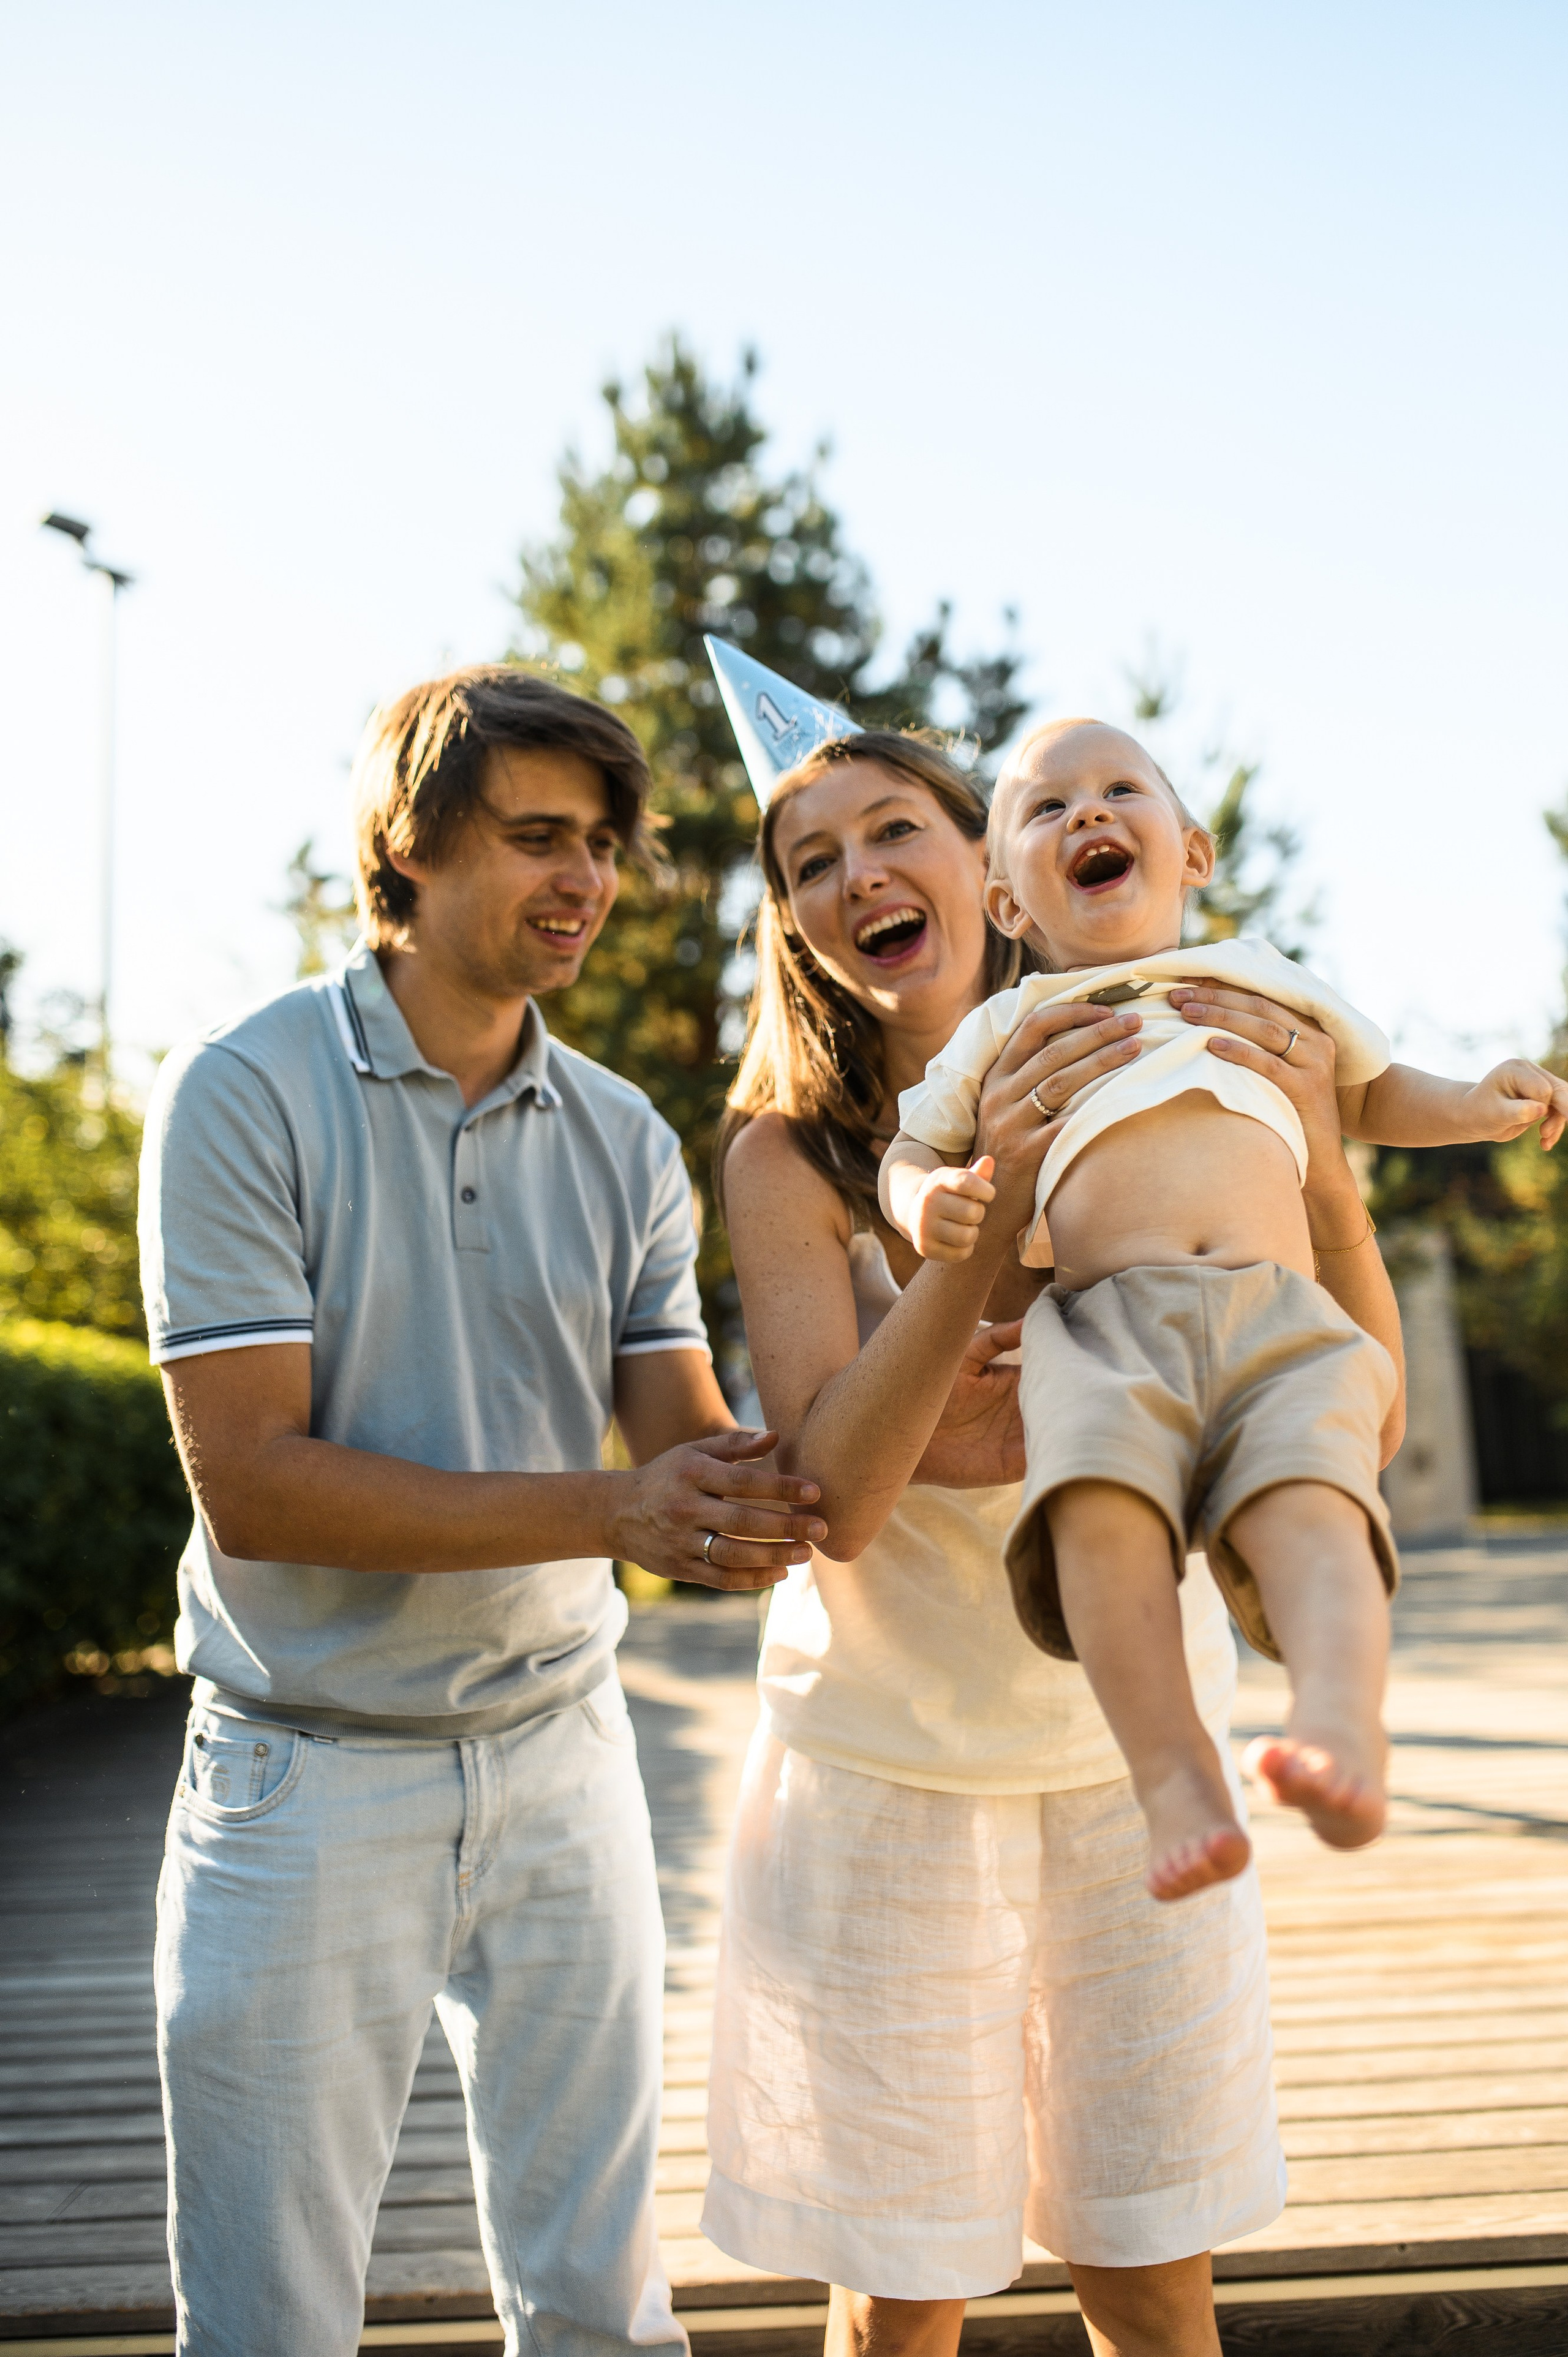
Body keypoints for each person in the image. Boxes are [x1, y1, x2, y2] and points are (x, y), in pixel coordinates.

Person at [697, 643, 1411, 2357]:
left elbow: (1342, 1393)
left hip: (1123, 1773)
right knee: (910, 2291)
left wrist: (1325, 1174)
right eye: (812, 865)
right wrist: (976, 1244)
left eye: (895, 832)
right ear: (797, 924)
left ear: (989, 877)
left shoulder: (1185, 1052)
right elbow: (843, 1493)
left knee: (1151, 2272)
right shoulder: (791, 1155)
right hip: (892, 1774)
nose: (859, 876)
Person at [137, 666, 827, 2357]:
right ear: (410, 849)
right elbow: (259, 1491)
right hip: (303, 1771)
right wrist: (619, 1505)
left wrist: (925, 1316)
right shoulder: (242, 1090)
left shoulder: (624, 1140)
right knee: (269, 2324)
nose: (586, 879)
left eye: (601, 843)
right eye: (537, 838)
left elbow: (695, 1452)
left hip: (563, 1753)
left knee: (603, 2303)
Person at [880, 716, 1566, 1898]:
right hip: (1104, 1325)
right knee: (1096, 1521)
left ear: (1191, 852)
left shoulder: (1259, 979)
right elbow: (912, 1145)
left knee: (1319, 1510)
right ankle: (1177, 1777)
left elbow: (1371, 1089)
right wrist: (925, 1199)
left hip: (1280, 1315)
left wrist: (1478, 1103)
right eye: (1047, 810)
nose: (1087, 814)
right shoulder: (1006, 1031)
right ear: (1005, 906)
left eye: (1117, 792)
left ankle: (1344, 1727)